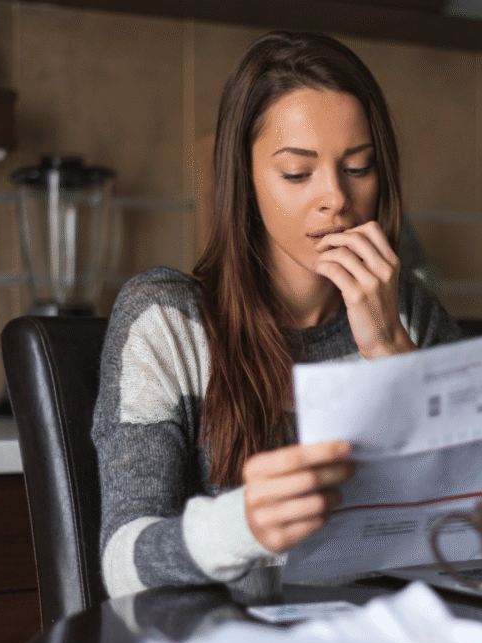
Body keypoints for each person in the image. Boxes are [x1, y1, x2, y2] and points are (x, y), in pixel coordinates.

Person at [93, 30, 460, 600]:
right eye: (297, 173)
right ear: (246, 178)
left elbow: (474, 528)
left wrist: (390, 349)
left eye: (358, 168)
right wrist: (243, 526)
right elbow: (123, 565)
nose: (335, 198)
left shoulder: (411, 315)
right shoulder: (167, 320)